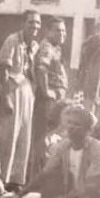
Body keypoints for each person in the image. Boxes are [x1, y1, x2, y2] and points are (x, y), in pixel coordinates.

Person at [0, 9, 41, 190]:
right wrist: (5, 97)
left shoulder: (35, 45)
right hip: (12, 89)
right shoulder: (12, 40)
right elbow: (3, 71)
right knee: (9, 135)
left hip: (27, 90)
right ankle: (2, 179)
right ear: (23, 23)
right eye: (31, 22)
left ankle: (16, 181)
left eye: (37, 23)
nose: (34, 26)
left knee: (24, 137)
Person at [32, 16, 69, 170]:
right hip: (48, 101)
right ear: (48, 31)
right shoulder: (47, 46)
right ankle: (37, 176)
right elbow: (41, 68)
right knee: (43, 139)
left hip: (56, 100)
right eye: (57, 30)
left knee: (52, 138)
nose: (61, 34)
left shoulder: (56, 48)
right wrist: (46, 91)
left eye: (63, 31)